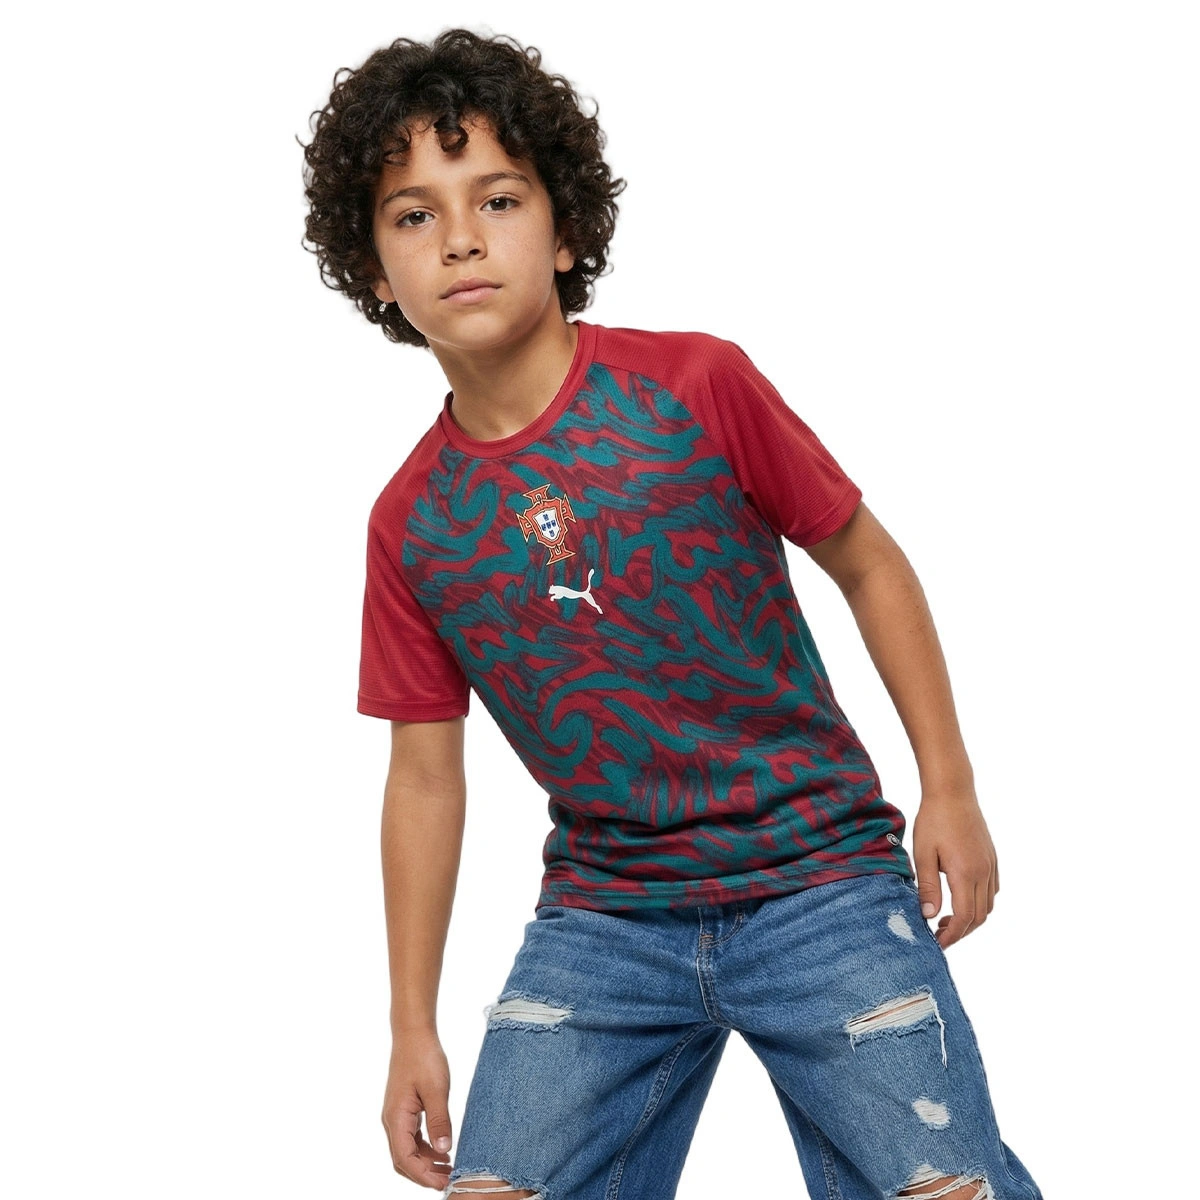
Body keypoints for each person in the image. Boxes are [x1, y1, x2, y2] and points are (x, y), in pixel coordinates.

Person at [301, 28, 1043, 1200]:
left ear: (567, 229)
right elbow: (425, 779)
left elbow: (868, 564)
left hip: (822, 882)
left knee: (942, 1189)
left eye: (498, 198)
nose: (460, 238)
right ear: (375, 271)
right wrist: (410, 1024)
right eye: (412, 215)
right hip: (605, 918)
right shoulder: (413, 522)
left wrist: (948, 785)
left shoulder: (694, 385)